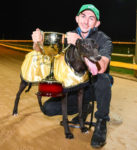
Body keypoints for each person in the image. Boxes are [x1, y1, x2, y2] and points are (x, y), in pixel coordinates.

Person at [32, 4, 113, 148]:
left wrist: (79, 42)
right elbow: (47, 54)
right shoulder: (67, 36)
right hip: (75, 87)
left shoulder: (103, 39)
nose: (86, 21)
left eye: (91, 18)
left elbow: (103, 67)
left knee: (104, 79)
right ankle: (83, 108)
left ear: (97, 23)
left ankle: (101, 123)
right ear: (77, 19)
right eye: (83, 16)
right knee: (48, 109)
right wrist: (37, 42)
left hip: (93, 88)